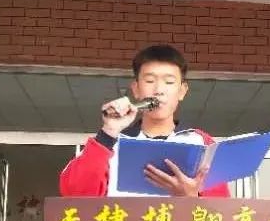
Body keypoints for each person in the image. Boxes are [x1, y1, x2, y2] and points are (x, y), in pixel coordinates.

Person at [60, 44, 230, 198]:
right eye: (149, 81)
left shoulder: (202, 144)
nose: (159, 90)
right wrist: (108, 132)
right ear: (136, 89)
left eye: (169, 82)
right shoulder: (109, 143)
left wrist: (192, 198)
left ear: (182, 91)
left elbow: (223, 213)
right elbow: (74, 194)